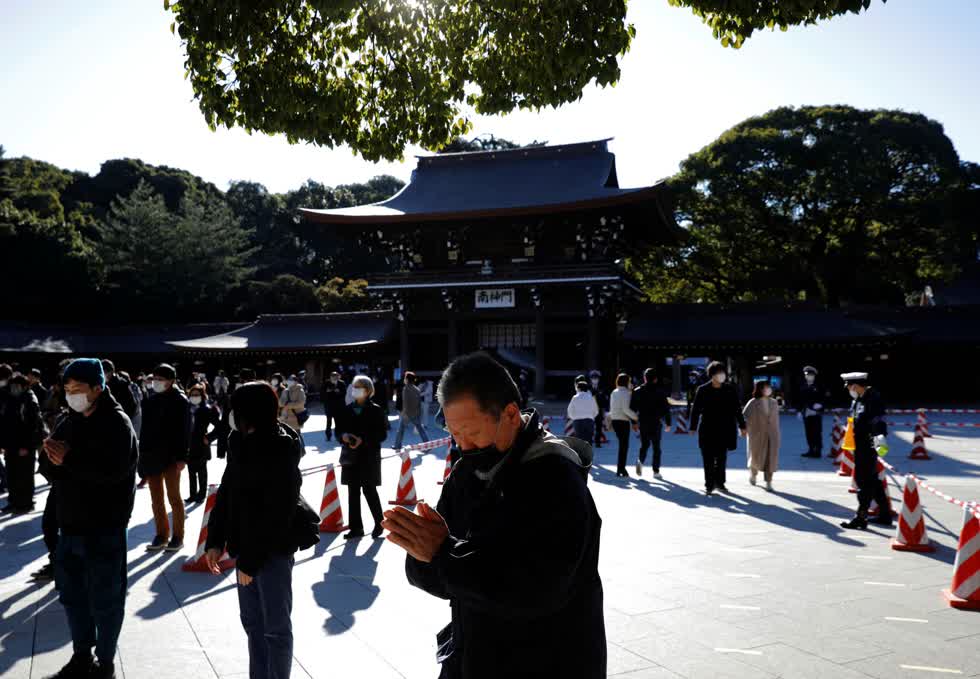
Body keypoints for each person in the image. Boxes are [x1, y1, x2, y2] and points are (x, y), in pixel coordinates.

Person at [384, 352, 605, 679]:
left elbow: (536, 590)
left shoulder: (556, 480)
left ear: (511, 415)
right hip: (472, 651)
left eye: (471, 433)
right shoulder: (466, 473)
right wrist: (423, 553)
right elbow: (445, 577)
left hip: (548, 659)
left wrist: (443, 554)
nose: (463, 445)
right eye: (455, 434)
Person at [43, 358, 138, 679]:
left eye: (79, 389)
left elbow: (112, 473)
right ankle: (81, 654)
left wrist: (69, 458)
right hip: (70, 523)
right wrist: (52, 458)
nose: (72, 395)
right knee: (73, 597)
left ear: (98, 388)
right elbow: (54, 471)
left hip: (104, 525)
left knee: (106, 598)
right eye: (67, 389)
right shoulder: (68, 421)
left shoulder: (117, 423)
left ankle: (106, 661)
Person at [205, 381, 302, 679]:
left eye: (238, 409)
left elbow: (278, 511)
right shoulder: (238, 442)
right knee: (252, 624)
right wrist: (215, 540)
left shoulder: (282, 447)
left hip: (271, 551)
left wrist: (250, 559)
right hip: (243, 547)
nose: (233, 415)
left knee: (275, 629)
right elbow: (226, 495)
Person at [139, 363, 190, 552]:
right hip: (152, 455)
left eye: (161, 379)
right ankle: (161, 534)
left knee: (174, 497)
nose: (157, 382)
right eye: (155, 379)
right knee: (156, 498)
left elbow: (185, 431)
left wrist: (182, 457)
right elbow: (144, 430)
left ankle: (178, 536)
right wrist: (141, 456)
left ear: (171, 381)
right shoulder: (150, 400)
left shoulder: (180, 400)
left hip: (172, 455)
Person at [336, 375, 388, 540]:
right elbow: (339, 430)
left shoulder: (376, 410)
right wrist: (343, 436)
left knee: (369, 490)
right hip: (350, 455)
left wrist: (363, 440)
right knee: (352, 492)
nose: (355, 390)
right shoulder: (347, 408)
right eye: (354, 386)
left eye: (359, 387)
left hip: (368, 456)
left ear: (368, 391)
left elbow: (382, 434)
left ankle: (379, 523)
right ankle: (355, 528)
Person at [839, 372, 892, 530]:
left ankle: (861, 517)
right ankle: (884, 515)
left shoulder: (873, 399)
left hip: (868, 445)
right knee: (873, 480)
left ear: (855, 386)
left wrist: (879, 441)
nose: (849, 389)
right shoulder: (858, 400)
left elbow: (879, 421)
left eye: (849, 386)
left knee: (863, 481)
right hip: (859, 444)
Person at [689, 361, 747, 496]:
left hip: (725, 428)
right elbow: (696, 410)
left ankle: (720, 483)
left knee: (721, 458)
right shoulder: (703, 390)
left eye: (723, 372)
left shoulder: (730, 389)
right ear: (712, 375)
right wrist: (693, 427)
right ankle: (709, 484)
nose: (722, 375)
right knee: (708, 458)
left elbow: (737, 409)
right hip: (707, 428)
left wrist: (742, 425)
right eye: (719, 373)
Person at [1, 373, 45, 513]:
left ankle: (26, 503)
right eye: (12, 385)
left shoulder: (29, 399)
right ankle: (13, 501)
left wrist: (27, 446)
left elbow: (34, 426)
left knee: (24, 476)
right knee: (12, 475)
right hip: (11, 444)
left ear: (24, 386)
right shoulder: (11, 399)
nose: (14, 388)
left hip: (24, 445)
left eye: (17, 386)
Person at [629, 368, 673, 479]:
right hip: (656, 422)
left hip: (643, 421)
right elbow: (665, 409)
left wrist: (634, 422)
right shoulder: (660, 391)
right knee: (656, 447)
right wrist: (668, 423)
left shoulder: (637, 390)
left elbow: (632, 408)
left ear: (644, 378)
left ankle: (640, 461)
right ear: (655, 379)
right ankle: (656, 471)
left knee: (644, 445)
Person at [743, 380, 780, 491]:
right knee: (755, 457)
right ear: (759, 389)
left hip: (772, 435)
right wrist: (744, 430)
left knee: (771, 458)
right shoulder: (753, 402)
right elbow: (744, 417)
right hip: (757, 435)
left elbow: (775, 420)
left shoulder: (774, 402)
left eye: (769, 387)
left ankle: (769, 482)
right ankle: (753, 474)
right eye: (765, 387)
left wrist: (777, 434)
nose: (768, 389)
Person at [186, 383, 220, 504]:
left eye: (197, 395)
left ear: (202, 396)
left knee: (201, 471)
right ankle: (192, 494)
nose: (194, 397)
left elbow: (219, 427)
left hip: (201, 444)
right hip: (189, 445)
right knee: (190, 472)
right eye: (192, 394)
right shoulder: (187, 409)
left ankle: (201, 494)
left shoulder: (207, 409)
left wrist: (209, 437)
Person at [608, 373, 639, 478]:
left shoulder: (614, 392)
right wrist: (636, 418)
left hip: (615, 420)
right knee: (624, 446)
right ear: (626, 382)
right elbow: (626, 409)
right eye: (629, 381)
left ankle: (620, 468)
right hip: (623, 421)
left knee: (622, 445)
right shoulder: (626, 393)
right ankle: (621, 468)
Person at [394, 371, 429, 450]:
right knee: (421, 430)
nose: (404, 379)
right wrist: (419, 414)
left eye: (405, 378)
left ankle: (397, 445)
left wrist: (404, 414)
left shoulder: (405, 388)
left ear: (407, 379)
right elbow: (419, 403)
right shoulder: (417, 389)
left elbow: (405, 403)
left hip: (407, 413)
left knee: (400, 430)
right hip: (416, 413)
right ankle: (427, 445)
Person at [797, 366, 825, 458]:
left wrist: (821, 405)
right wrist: (799, 411)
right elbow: (800, 400)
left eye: (811, 375)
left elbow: (825, 398)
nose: (809, 376)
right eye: (807, 375)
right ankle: (811, 449)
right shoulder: (803, 386)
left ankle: (818, 450)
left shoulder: (819, 386)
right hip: (806, 412)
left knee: (817, 431)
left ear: (814, 376)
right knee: (808, 432)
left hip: (816, 412)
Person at [100, 360, 138, 424]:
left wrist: (124, 420)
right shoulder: (101, 384)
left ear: (111, 372)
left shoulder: (122, 384)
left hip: (119, 420)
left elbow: (132, 405)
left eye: (105, 372)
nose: (103, 375)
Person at [322, 371, 347, 440]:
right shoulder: (326, 383)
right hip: (329, 406)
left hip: (339, 406)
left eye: (335, 377)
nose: (334, 378)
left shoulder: (341, 383)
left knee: (338, 422)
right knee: (329, 422)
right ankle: (328, 436)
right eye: (332, 377)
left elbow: (344, 393)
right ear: (330, 377)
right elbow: (322, 393)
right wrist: (327, 392)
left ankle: (338, 435)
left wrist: (338, 392)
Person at [589, 370, 609, 449]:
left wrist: (606, 409)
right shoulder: (587, 386)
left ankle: (598, 442)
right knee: (589, 426)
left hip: (599, 409)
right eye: (593, 377)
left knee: (599, 427)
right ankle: (589, 442)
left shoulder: (603, 386)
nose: (595, 379)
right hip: (589, 409)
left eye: (596, 377)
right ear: (590, 379)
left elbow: (606, 398)